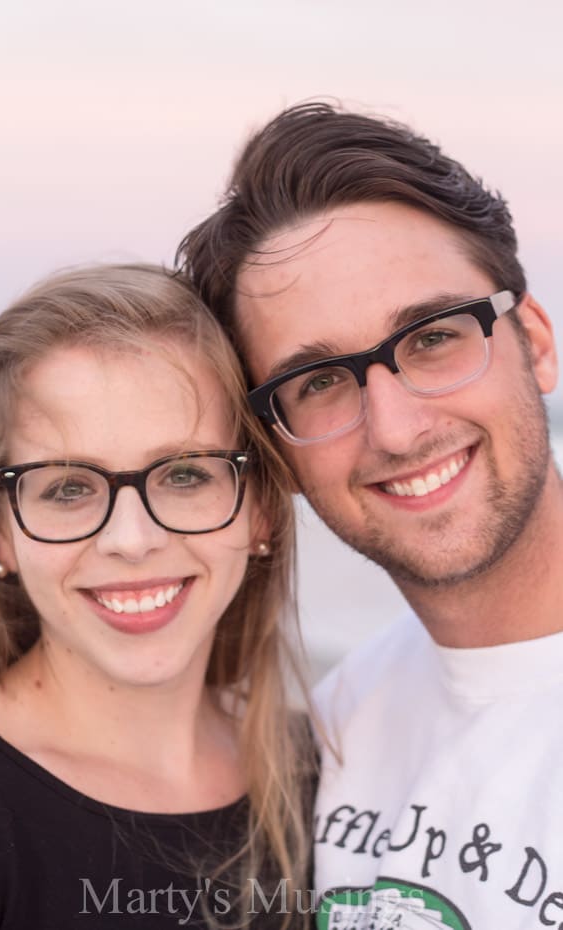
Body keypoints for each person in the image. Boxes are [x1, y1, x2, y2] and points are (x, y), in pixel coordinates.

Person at [177, 101, 563, 929]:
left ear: (533, 341)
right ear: (276, 450)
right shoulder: (338, 723)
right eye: (317, 383)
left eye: (430, 337)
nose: (395, 428)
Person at [0, 264, 317, 929]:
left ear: (259, 509)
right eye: (67, 487)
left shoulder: (326, 781)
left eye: (183, 474)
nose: (132, 538)